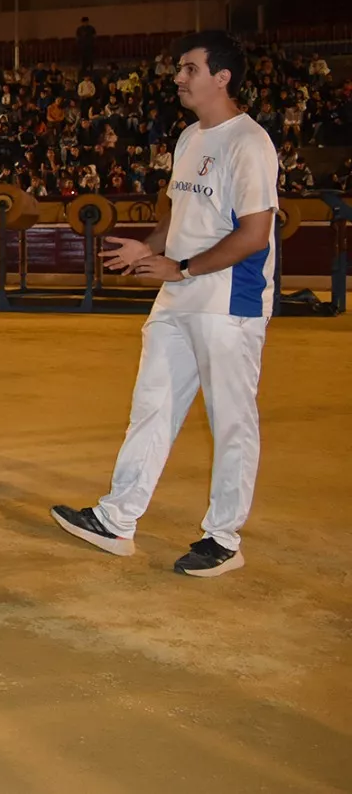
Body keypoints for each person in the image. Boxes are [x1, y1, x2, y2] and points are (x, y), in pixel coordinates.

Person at [52, 31, 278, 578]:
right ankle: (117, 519)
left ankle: (223, 539)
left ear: (222, 77)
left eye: (189, 68)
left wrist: (179, 267)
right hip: (177, 296)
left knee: (231, 421)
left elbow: (254, 234)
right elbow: (178, 218)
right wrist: (149, 248)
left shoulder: (250, 143)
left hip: (229, 301)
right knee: (151, 405)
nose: (179, 77)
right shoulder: (187, 138)